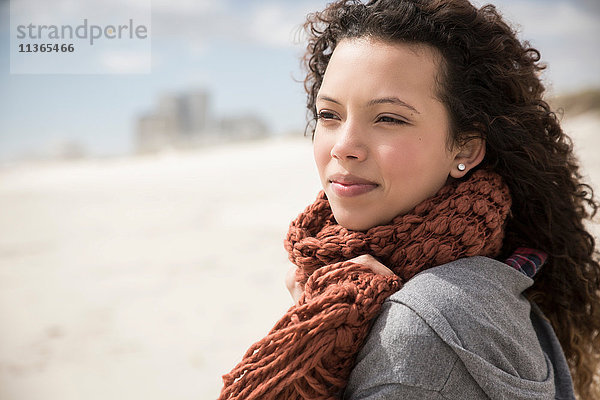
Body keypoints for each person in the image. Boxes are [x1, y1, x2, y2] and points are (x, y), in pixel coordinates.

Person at [219, 1, 600, 399]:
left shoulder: (418, 328)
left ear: (465, 150)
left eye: (388, 118)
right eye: (329, 115)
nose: (344, 147)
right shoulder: (499, 274)